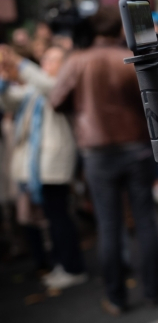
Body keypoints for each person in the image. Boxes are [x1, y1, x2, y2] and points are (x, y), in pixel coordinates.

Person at [49, 6, 158, 315]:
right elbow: (153, 98)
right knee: (145, 220)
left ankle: (116, 297)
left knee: (109, 224)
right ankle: (154, 290)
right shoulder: (127, 58)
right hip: (136, 147)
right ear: (119, 29)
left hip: (97, 153)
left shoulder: (77, 61)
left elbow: (56, 100)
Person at [0, 45, 84, 287]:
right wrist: (5, 78)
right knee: (52, 218)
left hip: (53, 162)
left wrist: (19, 62)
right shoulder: (36, 88)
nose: (46, 64)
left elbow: (48, 85)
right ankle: (63, 264)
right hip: (40, 165)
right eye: (44, 59)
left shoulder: (60, 84)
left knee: (59, 218)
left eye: (52, 60)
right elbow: (10, 102)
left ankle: (73, 267)